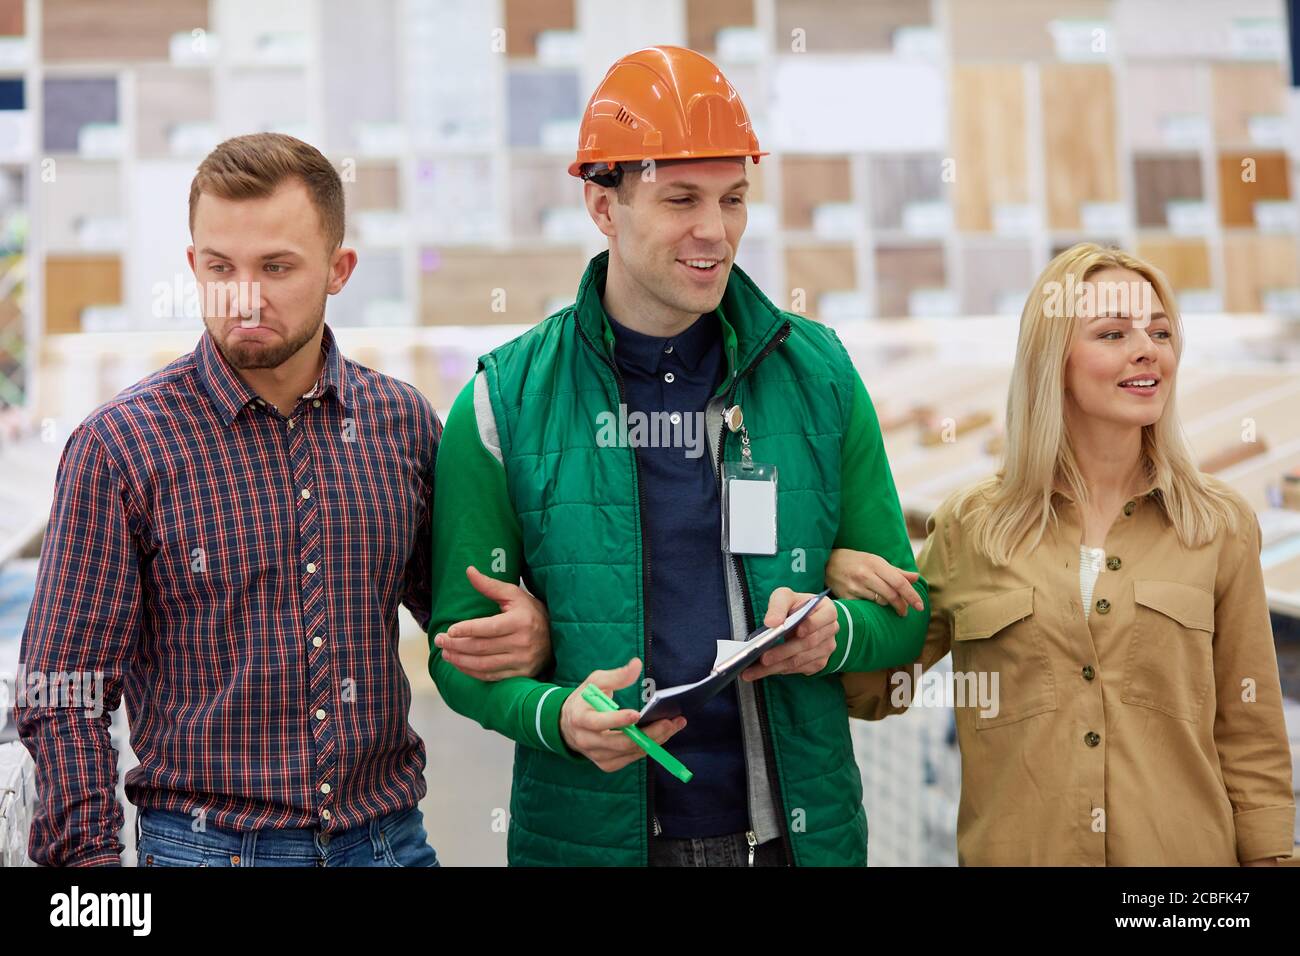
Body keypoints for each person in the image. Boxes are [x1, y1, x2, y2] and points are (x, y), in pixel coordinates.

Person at [427, 46, 928, 867]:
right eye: (680, 199)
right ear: (602, 204)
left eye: (733, 199)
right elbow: (461, 651)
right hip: (595, 840)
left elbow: (902, 613)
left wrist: (834, 633)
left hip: (793, 840)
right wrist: (556, 715)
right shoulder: (502, 402)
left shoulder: (820, 374)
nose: (715, 230)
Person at [17, 133, 552, 867]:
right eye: (220, 267)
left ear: (339, 270)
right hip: (205, 851)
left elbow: (459, 622)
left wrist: (523, 629)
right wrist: (93, 870)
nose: (245, 295)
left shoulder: (402, 425)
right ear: (192, 267)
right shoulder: (119, 449)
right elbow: (63, 691)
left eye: (276, 267)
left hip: (389, 844)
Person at [836, 243, 1296, 865]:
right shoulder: (975, 527)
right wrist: (839, 581)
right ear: (1052, 361)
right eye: (1113, 333)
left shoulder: (1217, 525)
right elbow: (876, 690)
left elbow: (1250, 733)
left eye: (1160, 332)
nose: (1147, 349)